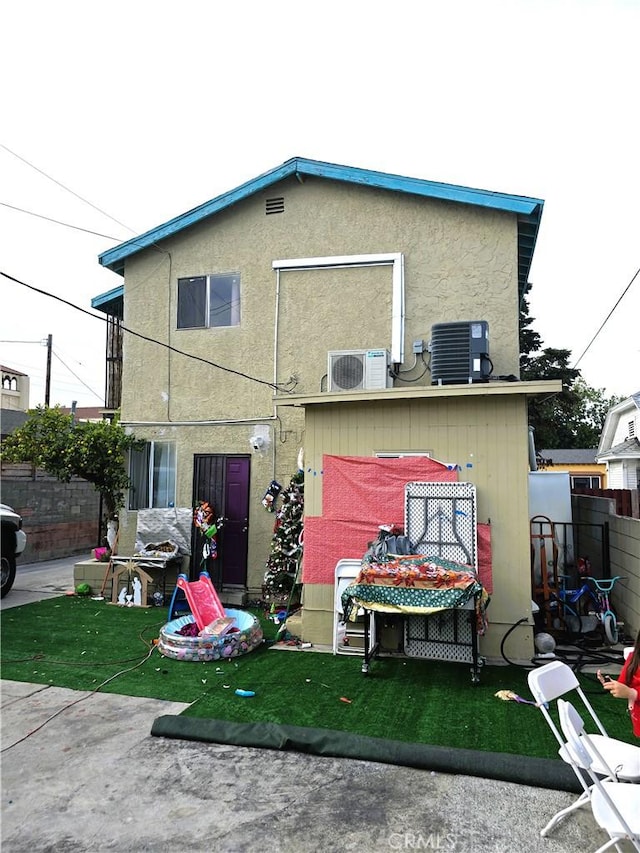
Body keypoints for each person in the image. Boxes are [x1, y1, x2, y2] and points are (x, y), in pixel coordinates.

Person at [598, 628, 640, 738]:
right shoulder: (633, 658)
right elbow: (623, 683)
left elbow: (629, 691)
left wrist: (632, 693)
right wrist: (611, 684)